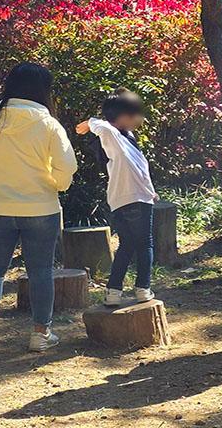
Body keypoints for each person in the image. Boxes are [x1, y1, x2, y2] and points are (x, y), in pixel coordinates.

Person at [0, 62, 77, 353]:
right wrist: (56, 184)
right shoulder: (47, 122)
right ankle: (41, 333)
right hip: (41, 208)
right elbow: (67, 165)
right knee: (41, 272)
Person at [75, 88, 157, 306]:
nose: (138, 119)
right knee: (145, 244)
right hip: (136, 201)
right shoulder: (113, 135)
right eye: (134, 114)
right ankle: (143, 288)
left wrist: (151, 192)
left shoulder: (127, 140)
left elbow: (139, 171)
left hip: (122, 201)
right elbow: (101, 126)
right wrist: (89, 123)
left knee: (127, 245)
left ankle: (113, 292)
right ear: (121, 117)